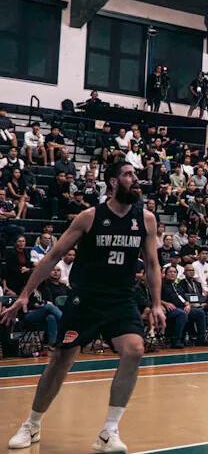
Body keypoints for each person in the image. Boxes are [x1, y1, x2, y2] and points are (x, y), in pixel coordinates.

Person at [2, 161, 165, 453]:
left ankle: (109, 431)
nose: (135, 179)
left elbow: (153, 264)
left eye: (135, 175)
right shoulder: (89, 218)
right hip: (86, 298)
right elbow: (53, 256)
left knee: (135, 350)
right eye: (128, 174)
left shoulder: (146, 219)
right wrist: (25, 294)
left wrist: (156, 303)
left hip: (121, 299)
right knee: (60, 362)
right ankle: (33, 423)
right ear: (113, 182)